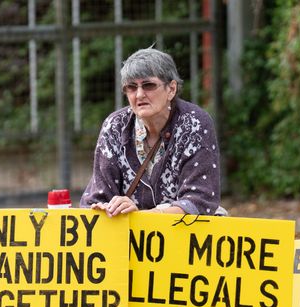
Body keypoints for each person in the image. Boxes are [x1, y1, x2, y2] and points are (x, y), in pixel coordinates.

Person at [80, 48, 225, 217]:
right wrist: (106, 208)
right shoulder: (115, 127)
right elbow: (97, 197)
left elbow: (199, 201)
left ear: (171, 89)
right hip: (128, 232)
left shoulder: (195, 123)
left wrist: (145, 217)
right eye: (131, 87)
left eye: (149, 85)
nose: (139, 94)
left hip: (184, 231)